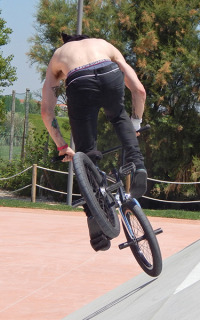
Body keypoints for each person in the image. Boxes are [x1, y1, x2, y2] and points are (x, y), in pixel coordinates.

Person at [41, 33, 148, 250]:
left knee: (86, 152)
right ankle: (138, 165)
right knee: (119, 116)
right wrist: (135, 125)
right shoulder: (105, 45)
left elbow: (46, 111)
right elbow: (139, 90)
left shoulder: (59, 55)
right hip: (110, 74)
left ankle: (95, 226)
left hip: (80, 84)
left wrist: (63, 147)